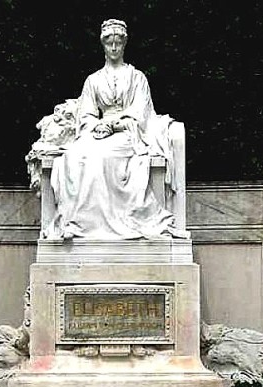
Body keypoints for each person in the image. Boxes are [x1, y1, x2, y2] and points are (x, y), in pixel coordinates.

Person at [46, 19, 186, 240]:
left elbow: (141, 113)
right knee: (73, 156)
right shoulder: (93, 80)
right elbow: (87, 116)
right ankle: (76, 221)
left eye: (118, 43)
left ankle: (100, 224)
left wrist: (114, 125)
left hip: (128, 132)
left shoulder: (137, 77)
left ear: (124, 45)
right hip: (98, 131)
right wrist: (98, 126)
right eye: (109, 43)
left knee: (102, 157)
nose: (113, 48)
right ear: (103, 45)